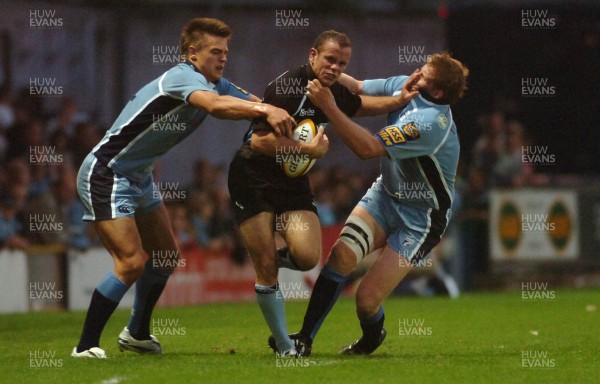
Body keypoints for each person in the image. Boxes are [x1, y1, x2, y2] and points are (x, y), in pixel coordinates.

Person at [71, 17, 296, 359]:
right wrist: (264, 108)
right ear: (193, 53)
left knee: (165, 257)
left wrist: (299, 115)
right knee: (131, 263)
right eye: (215, 51)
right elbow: (217, 107)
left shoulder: (214, 82)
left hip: (140, 177)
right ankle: (85, 346)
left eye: (226, 52)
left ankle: (137, 332)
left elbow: (253, 104)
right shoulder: (182, 77)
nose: (223, 58)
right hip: (107, 172)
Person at [227, 30, 411, 357]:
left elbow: (363, 105)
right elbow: (258, 141)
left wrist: (399, 100)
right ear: (313, 55)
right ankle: (286, 346)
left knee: (308, 257)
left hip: (292, 181)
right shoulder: (287, 88)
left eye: (341, 63)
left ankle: (269, 258)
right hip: (253, 175)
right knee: (267, 268)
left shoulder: (332, 91)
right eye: (329, 60)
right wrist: (306, 151)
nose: (335, 68)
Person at [288, 52, 469, 355]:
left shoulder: (430, 123)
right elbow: (357, 87)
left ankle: (372, 337)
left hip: (421, 218)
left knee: (366, 300)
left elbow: (368, 148)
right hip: (386, 195)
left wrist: (329, 106)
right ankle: (304, 338)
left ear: (435, 92)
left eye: (423, 74)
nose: (415, 74)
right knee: (341, 257)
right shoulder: (408, 86)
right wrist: (321, 70)